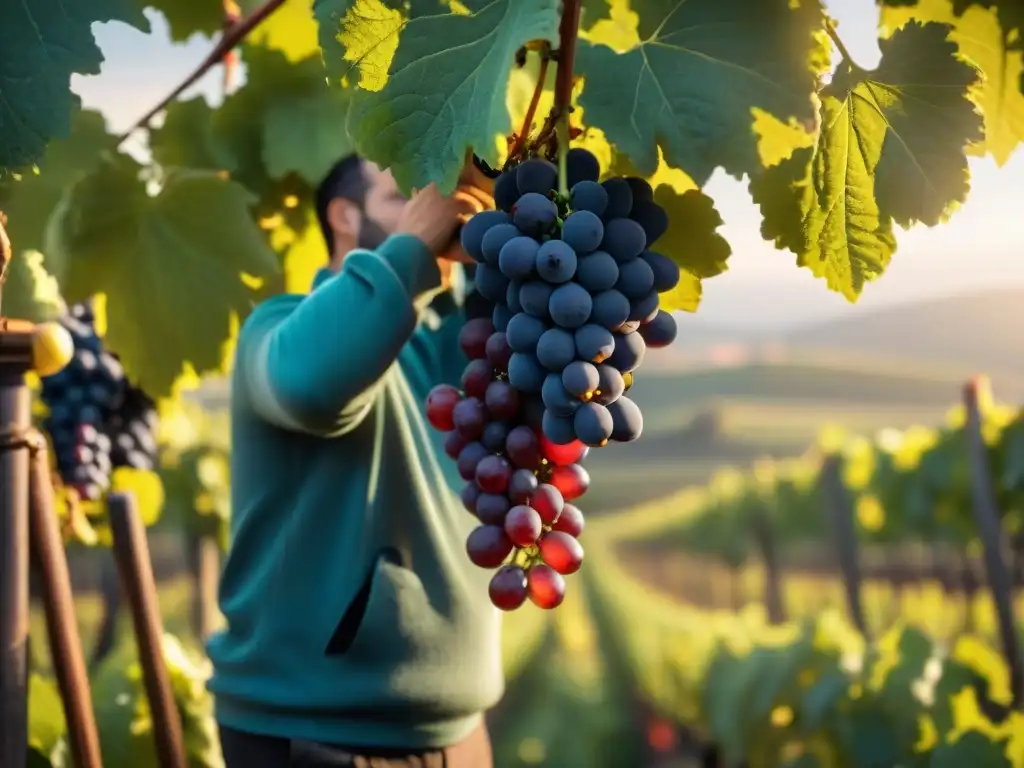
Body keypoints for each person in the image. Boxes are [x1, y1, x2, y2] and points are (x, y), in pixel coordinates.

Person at [206, 155, 503, 768]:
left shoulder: (443, 351)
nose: (441, 210)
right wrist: (415, 247)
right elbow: (312, 384)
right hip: (316, 736)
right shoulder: (278, 328)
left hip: (463, 733)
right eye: (405, 196)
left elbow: (527, 359)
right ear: (344, 215)